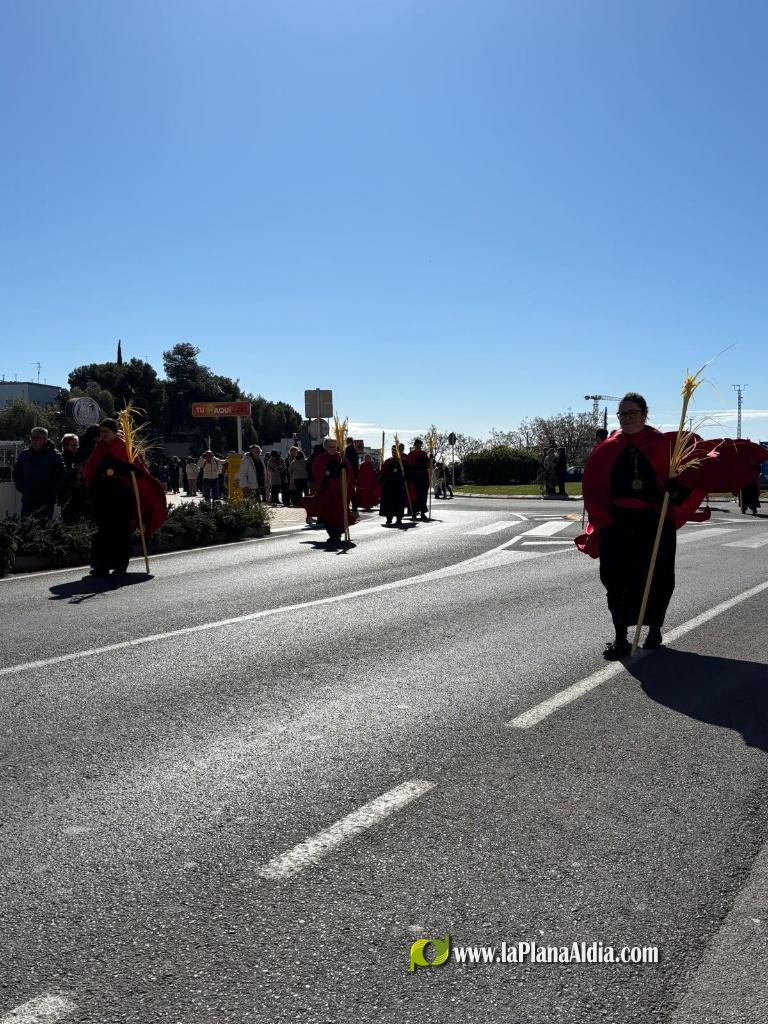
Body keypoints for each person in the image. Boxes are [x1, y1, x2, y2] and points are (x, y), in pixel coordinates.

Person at [577, 393, 700, 659]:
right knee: (615, 578)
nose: (627, 418)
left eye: (632, 413)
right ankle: (620, 637)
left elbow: (686, 481)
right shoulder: (607, 448)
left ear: (645, 414)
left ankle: (654, 630)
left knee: (658, 576)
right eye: (622, 414)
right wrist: (603, 518)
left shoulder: (662, 445)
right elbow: (594, 487)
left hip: (654, 523)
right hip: (617, 523)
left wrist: (674, 489)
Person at [81, 418, 166, 577]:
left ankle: (120, 565)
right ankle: (101, 565)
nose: (103, 434)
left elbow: (140, 471)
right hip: (104, 497)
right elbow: (90, 471)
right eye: (101, 431)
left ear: (114, 432)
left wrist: (131, 468)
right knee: (103, 530)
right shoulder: (98, 449)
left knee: (121, 530)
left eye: (106, 431)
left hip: (122, 497)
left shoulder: (125, 448)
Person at [302, 438, 358, 543]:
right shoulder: (321, 459)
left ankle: (338, 532)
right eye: (330, 447)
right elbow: (316, 472)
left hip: (339, 491)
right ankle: (333, 534)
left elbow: (350, 474)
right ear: (325, 447)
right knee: (326, 513)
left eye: (334, 447)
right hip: (326, 490)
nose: (333, 449)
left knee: (339, 512)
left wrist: (343, 468)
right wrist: (322, 482)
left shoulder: (342, 458)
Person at [12, 427, 66, 520]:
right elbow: (17, 473)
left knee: (44, 528)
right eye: (32, 438)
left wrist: (50, 490)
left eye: (36, 438)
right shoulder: (25, 455)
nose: (33, 441)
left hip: (46, 500)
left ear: (44, 439)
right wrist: (23, 488)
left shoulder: (55, 455)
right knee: (26, 528)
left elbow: (61, 475)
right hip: (28, 499)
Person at [58, 433, 88, 523]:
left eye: (77, 445)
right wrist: (75, 476)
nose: (76, 447)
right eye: (73, 445)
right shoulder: (62, 458)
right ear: (65, 445)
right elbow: (63, 476)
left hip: (76, 495)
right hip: (67, 495)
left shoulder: (75, 457)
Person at [379, 445, 409, 526]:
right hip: (389, 487)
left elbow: (409, 473)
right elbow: (383, 474)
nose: (394, 453)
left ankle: (399, 518)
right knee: (389, 503)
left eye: (395, 451)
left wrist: (406, 477)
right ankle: (389, 518)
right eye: (393, 451)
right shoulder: (388, 461)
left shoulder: (404, 462)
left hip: (400, 486)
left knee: (399, 503)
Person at [407, 439, 431, 521]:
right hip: (414, 477)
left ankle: (422, 513)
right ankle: (413, 513)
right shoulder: (410, 454)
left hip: (423, 477)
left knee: (423, 495)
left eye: (420, 445)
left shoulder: (424, 454)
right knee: (414, 495)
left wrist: (430, 460)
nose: (418, 446)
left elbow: (428, 465)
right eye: (417, 445)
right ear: (414, 445)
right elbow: (408, 467)